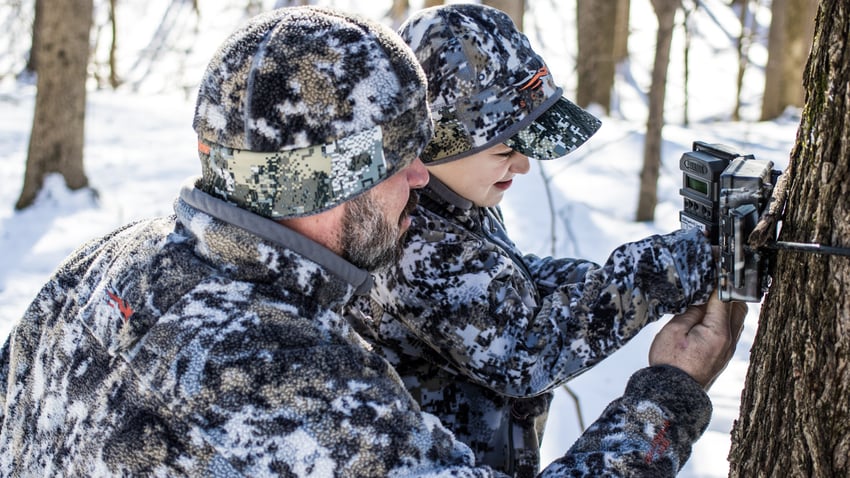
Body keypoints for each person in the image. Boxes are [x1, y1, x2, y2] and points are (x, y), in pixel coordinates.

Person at [0, 6, 744, 477]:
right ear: (325, 182)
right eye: (398, 159)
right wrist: (667, 398)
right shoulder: (291, 384)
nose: (422, 178)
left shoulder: (103, 266)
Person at [347, 4, 721, 476]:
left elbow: (510, 275)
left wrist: (612, 280)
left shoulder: (453, 198)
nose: (523, 164)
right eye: (505, 148)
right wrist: (656, 275)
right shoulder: (410, 241)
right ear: (431, 143)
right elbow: (524, 350)